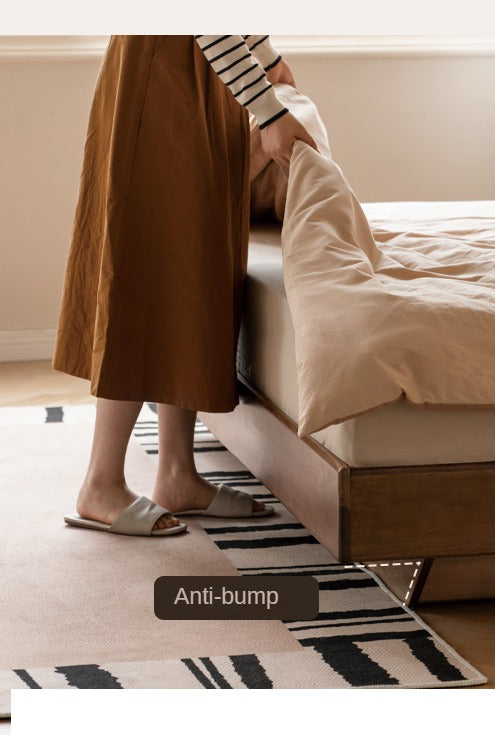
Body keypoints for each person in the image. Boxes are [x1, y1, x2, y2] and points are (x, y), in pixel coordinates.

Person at [53, 35, 318, 536]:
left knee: (191, 267)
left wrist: (268, 59)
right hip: (161, 75)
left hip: (202, 74)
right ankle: (100, 482)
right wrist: (268, 110)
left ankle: (177, 472)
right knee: (145, 268)